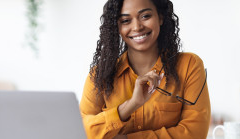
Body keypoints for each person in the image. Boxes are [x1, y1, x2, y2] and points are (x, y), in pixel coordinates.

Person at [79, 0, 211, 138]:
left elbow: (195, 133)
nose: (137, 27)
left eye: (145, 16)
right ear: (117, 26)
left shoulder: (189, 65)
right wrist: (129, 106)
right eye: (125, 20)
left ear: (160, 17)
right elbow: (81, 131)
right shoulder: (99, 75)